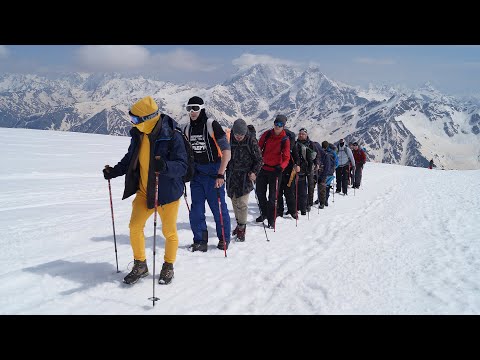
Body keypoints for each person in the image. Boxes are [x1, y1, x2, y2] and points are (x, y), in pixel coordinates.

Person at [103, 96, 187, 285]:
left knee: (169, 233)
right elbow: (130, 158)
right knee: (135, 227)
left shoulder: (173, 136)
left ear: (147, 119)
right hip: (144, 191)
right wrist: (114, 171)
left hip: (167, 195)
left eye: (135, 119)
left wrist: (164, 166)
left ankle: (168, 265)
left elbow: (182, 166)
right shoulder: (139, 134)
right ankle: (140, 264)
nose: (132, 123)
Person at [183, 96, 231, 252]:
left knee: (218, 209)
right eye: (189, 108)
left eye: (195, 108)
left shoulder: (211, 125)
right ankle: (200, 241)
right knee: (196, 211)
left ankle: (224, 239)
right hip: (197, 175)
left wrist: (220, 174)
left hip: (213, 174)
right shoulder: (187, 129)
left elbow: (226, 152)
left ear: (202, 108)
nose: (192, 112)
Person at [226, 119, 263, 242]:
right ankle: (239, 224)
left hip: (245, 176)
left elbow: (259, 160)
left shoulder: (251, 141)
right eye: (237, 135)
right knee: (234, 200)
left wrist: (254, 172)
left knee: (242, 203)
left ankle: (242, 228)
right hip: (232, 175)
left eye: (241, 135)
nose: (239, 137)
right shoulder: (229, 139)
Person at [256, 115, 291, 228]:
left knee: (272, 197)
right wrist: (257, 161)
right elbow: (258, 148)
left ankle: (271, 219)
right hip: (263, 168)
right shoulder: (267, 135)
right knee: (260, 193)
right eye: (276, 123)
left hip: (276, 171)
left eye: (280, 125)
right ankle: (264, 213)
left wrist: (281, 167)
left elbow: (286, 157)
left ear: (283, 126)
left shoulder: (285, 139)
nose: (277, 126)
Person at [276, 116, 300, 220]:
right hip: (288, 169)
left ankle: (280, 211)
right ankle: (292, 212)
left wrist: (297, 164)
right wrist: (297, 164)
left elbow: (295, 156)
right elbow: (296, 156)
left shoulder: (281, 136)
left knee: (280, 191)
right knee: (287, 191)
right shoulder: (290, 137)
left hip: (283, 168)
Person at [295, 128, 316, 215]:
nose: (301, 135)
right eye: (300, 134)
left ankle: (308, 204)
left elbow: (314, 156)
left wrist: (313, 166)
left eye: (303, 134)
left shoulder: (310, 144)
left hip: (308, 168)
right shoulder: (296, 144)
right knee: (300, 188)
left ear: (306, 135)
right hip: (299, 168)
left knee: (310, 187)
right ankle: (300, 204)